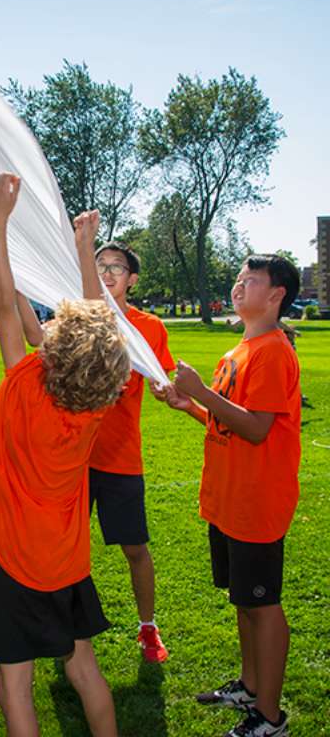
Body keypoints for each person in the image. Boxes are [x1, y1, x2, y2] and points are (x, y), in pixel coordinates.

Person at [0, 174, 130, 737]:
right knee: (83, 669)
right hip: (69, 563)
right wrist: (83, 250)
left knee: (15, 686)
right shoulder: (96, 405)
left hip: (22, 565)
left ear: (55, 354)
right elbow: (97, 327)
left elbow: (3, 302)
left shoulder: (28, 389)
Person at [153, 254, 300, 737]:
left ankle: (270, 717)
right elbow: (226, 422)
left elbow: (257, 430)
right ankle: (250, 687)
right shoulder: (237, 351)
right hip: (228, 498)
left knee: (263, 604)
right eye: (237, 279)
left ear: (276, 295)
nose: (239, 287)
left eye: (250, 280)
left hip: (257, 500)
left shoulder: (273, 351)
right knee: (244, 601)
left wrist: (202, 392)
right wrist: (187, 402)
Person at [82, 241, 176, 661]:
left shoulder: (149, 327)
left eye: (116, 267)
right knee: (68, 548)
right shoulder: (81, 316)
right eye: (99, 265)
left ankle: (148, 627)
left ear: (132, 279)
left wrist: (163, 389)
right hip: (75, 457)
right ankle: (68, 628)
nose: (107, 273)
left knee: (135, 548)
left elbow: (161, 383)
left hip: (121, 458)